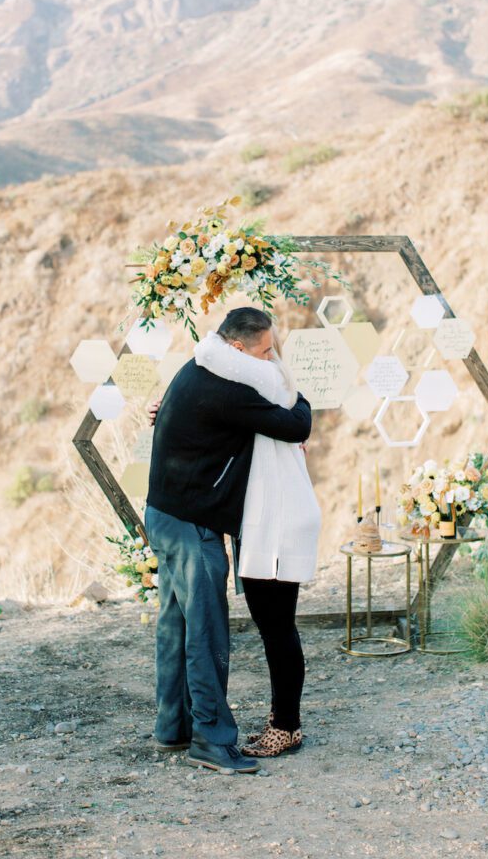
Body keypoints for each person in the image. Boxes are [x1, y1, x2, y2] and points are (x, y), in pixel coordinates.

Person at [144, 307, 312, 774]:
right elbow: (296, 424)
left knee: (175, 625)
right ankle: (212, 741)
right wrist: (301, 398)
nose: (272, 356)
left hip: (166, 513)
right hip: (190, 522)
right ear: (239, 349)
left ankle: (172, 727)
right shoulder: (228, 388)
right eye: (265, 349)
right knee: (205, 631)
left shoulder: (200, 365)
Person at [193, 324, 322, 758]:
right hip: (270, 520)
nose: (267, 357)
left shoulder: (262, 384)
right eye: (262, 349)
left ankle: (287, 726)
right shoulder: (272, 387)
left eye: (271, 350)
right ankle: (281, 719)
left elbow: (211, 355)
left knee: (278, 628)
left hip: (279, 520)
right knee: (275, 628)